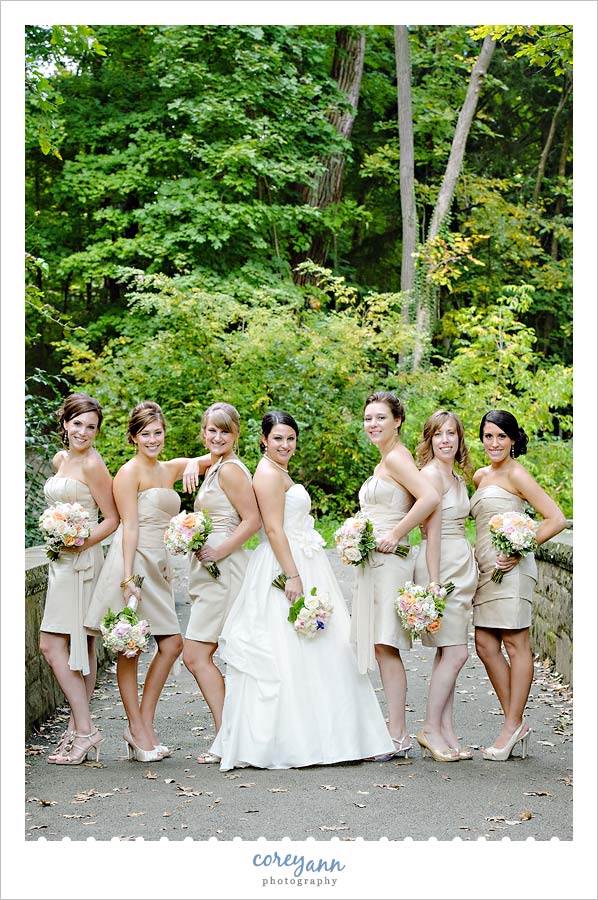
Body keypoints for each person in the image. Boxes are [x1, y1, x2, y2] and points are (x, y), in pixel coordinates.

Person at [211, 410, 396, 770]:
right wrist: (293, 575)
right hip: (284, 565)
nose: (285, 445)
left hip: (303, 559)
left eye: (290, 438)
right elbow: (274, 529)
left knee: (318, 650)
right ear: (263, 440)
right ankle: (294, 741)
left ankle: (333, 737)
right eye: (277, 438)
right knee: (287, 651)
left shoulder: (279, 470)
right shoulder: (267, 474)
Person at [85, 401, 191, 762]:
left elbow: (211, 456)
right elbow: (129, 526)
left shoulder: (169, 468)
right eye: (145, 434)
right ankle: (137, 727)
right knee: (130, 648)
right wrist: (128, 577)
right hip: (134, 565)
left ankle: (142, 724)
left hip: (159, 567)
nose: (153, 439)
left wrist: (196, 464)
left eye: (158, 432)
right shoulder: (128, 473)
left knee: (172, 644)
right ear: (133, 437)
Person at [470, 410, 567, 761]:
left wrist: (519, 548)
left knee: (515, 643)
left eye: (501, 436)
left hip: (512, 570)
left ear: (512, 440)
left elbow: (555, 519)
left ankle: (511, 725)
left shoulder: (517, 474)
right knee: (484, 643)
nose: (494, 443)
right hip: (486, 571)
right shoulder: (480, 476)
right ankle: (516, 723)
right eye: (488, 436)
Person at [351, 391, 439, 758]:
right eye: (368, 418)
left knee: (386, 645)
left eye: (380, 418)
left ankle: (398, 734)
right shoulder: (385, 460)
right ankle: (394, 732)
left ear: (397, 421)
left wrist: (396, 533)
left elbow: (430, 498)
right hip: (375, 562)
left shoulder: (397, 458)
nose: (373, 424)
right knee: (379, 644)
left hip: (391, 561)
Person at [39, 393, 119, 765]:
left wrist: (79, 541)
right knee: (79, 651)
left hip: (82, 563)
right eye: (77, 424)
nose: (83, 432)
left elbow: (112, 518)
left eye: (91, 427)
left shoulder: (93, 463)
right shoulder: (61, 460)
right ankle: (76, 731)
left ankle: (85, 731)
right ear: (65, 423)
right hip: (60, 562)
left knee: (51, 645)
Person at [180, 403, 260, 763]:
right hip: (210, 572)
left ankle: (228, 737)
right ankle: (232, 736)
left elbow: (253, 519)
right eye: (211, 430)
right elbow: (203, 458)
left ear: (236, 434)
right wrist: (191, 463)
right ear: (203, 433)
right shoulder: (215, 465)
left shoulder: (229, 470)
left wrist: (219, 550)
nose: (217, 436)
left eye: (224, 431)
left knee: (196, 655)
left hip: (224, 571)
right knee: (208, 655)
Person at [413, 410, 478, 762]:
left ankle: (446, 730)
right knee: (456, 653)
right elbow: (431, 533)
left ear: (459, 438)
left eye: (451, 433)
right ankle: (428, 728)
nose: (445, 440)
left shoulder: (456, 476)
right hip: (440, 567)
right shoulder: (430, 476)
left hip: (460, 565)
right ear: (430, 440)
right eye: (438, 434)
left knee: (445, 651)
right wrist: (434, 582)